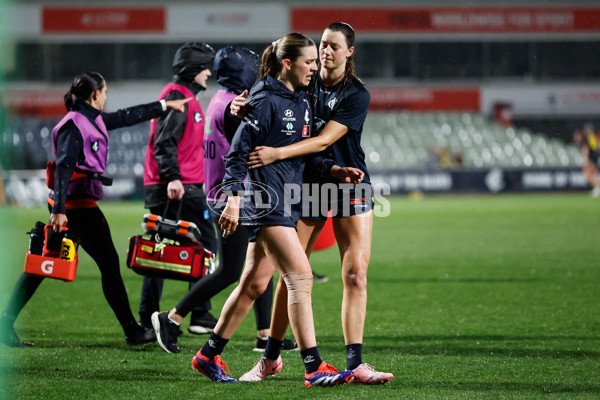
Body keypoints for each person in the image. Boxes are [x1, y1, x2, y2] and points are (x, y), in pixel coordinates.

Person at [190, 32, 362, 386]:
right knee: (300, 277)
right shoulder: (265, 99)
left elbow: (302, 158)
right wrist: (234, 201)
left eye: (317, 61)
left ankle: (207, 355)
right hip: (267, 202)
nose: (316, 67)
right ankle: (313, 367)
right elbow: (237, 155)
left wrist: (333, 170)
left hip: (286, 201)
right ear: (288, 63)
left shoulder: (299, 99)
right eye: (309, 62)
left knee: (253, 284)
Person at [237, 22, 394, 384]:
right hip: (306, 183)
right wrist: (238, 108)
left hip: (349, 182)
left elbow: (324, 141)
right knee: (291, 276)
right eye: (323, 44)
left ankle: (355, 363)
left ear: (350, 52)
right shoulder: (304, 80)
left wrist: (277, 153)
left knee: (355, 274)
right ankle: (270, 358)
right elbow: (268, 97)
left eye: (334, 46)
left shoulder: (357, 94)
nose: (325, 51)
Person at [0, 71, 190, 347]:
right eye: (105, 91)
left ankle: (6, 321)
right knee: (108, 266)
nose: (107, 96)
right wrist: (60, 210)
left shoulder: (91, 118)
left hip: (74, 206)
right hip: (77, 208)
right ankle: (132, 331)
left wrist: (163, 106)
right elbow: (64, 168)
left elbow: (127, 116)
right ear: (96, 94)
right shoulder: (74, 124)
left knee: (43, 265)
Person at [150, 45, 296, 354]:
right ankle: (171, 317)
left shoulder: (219, 99)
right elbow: (243, 152)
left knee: (261, 262)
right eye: (253, 68)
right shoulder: (235, 105)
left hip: (227, 193)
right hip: (234, 196)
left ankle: (266, 333)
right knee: (232, 270)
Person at [140, 42, 219, 335]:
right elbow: (164, 142)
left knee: (161, 251)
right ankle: (197, 312)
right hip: (177, 185)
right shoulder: (178, 97)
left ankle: (151, 317)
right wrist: (173, 177)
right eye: (204, 67)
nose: (209, 72)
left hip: (179, 184)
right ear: (192, 69)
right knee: (204, 245)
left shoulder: (184, 97)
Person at [580, 123, 600, 197]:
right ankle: (597, 188)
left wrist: (587, 159)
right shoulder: (591, 137)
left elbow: (594, 149)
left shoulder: (591, 137)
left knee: (589, 174)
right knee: (591, 175)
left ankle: (597, 188)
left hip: (592, 159)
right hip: (593, 159)